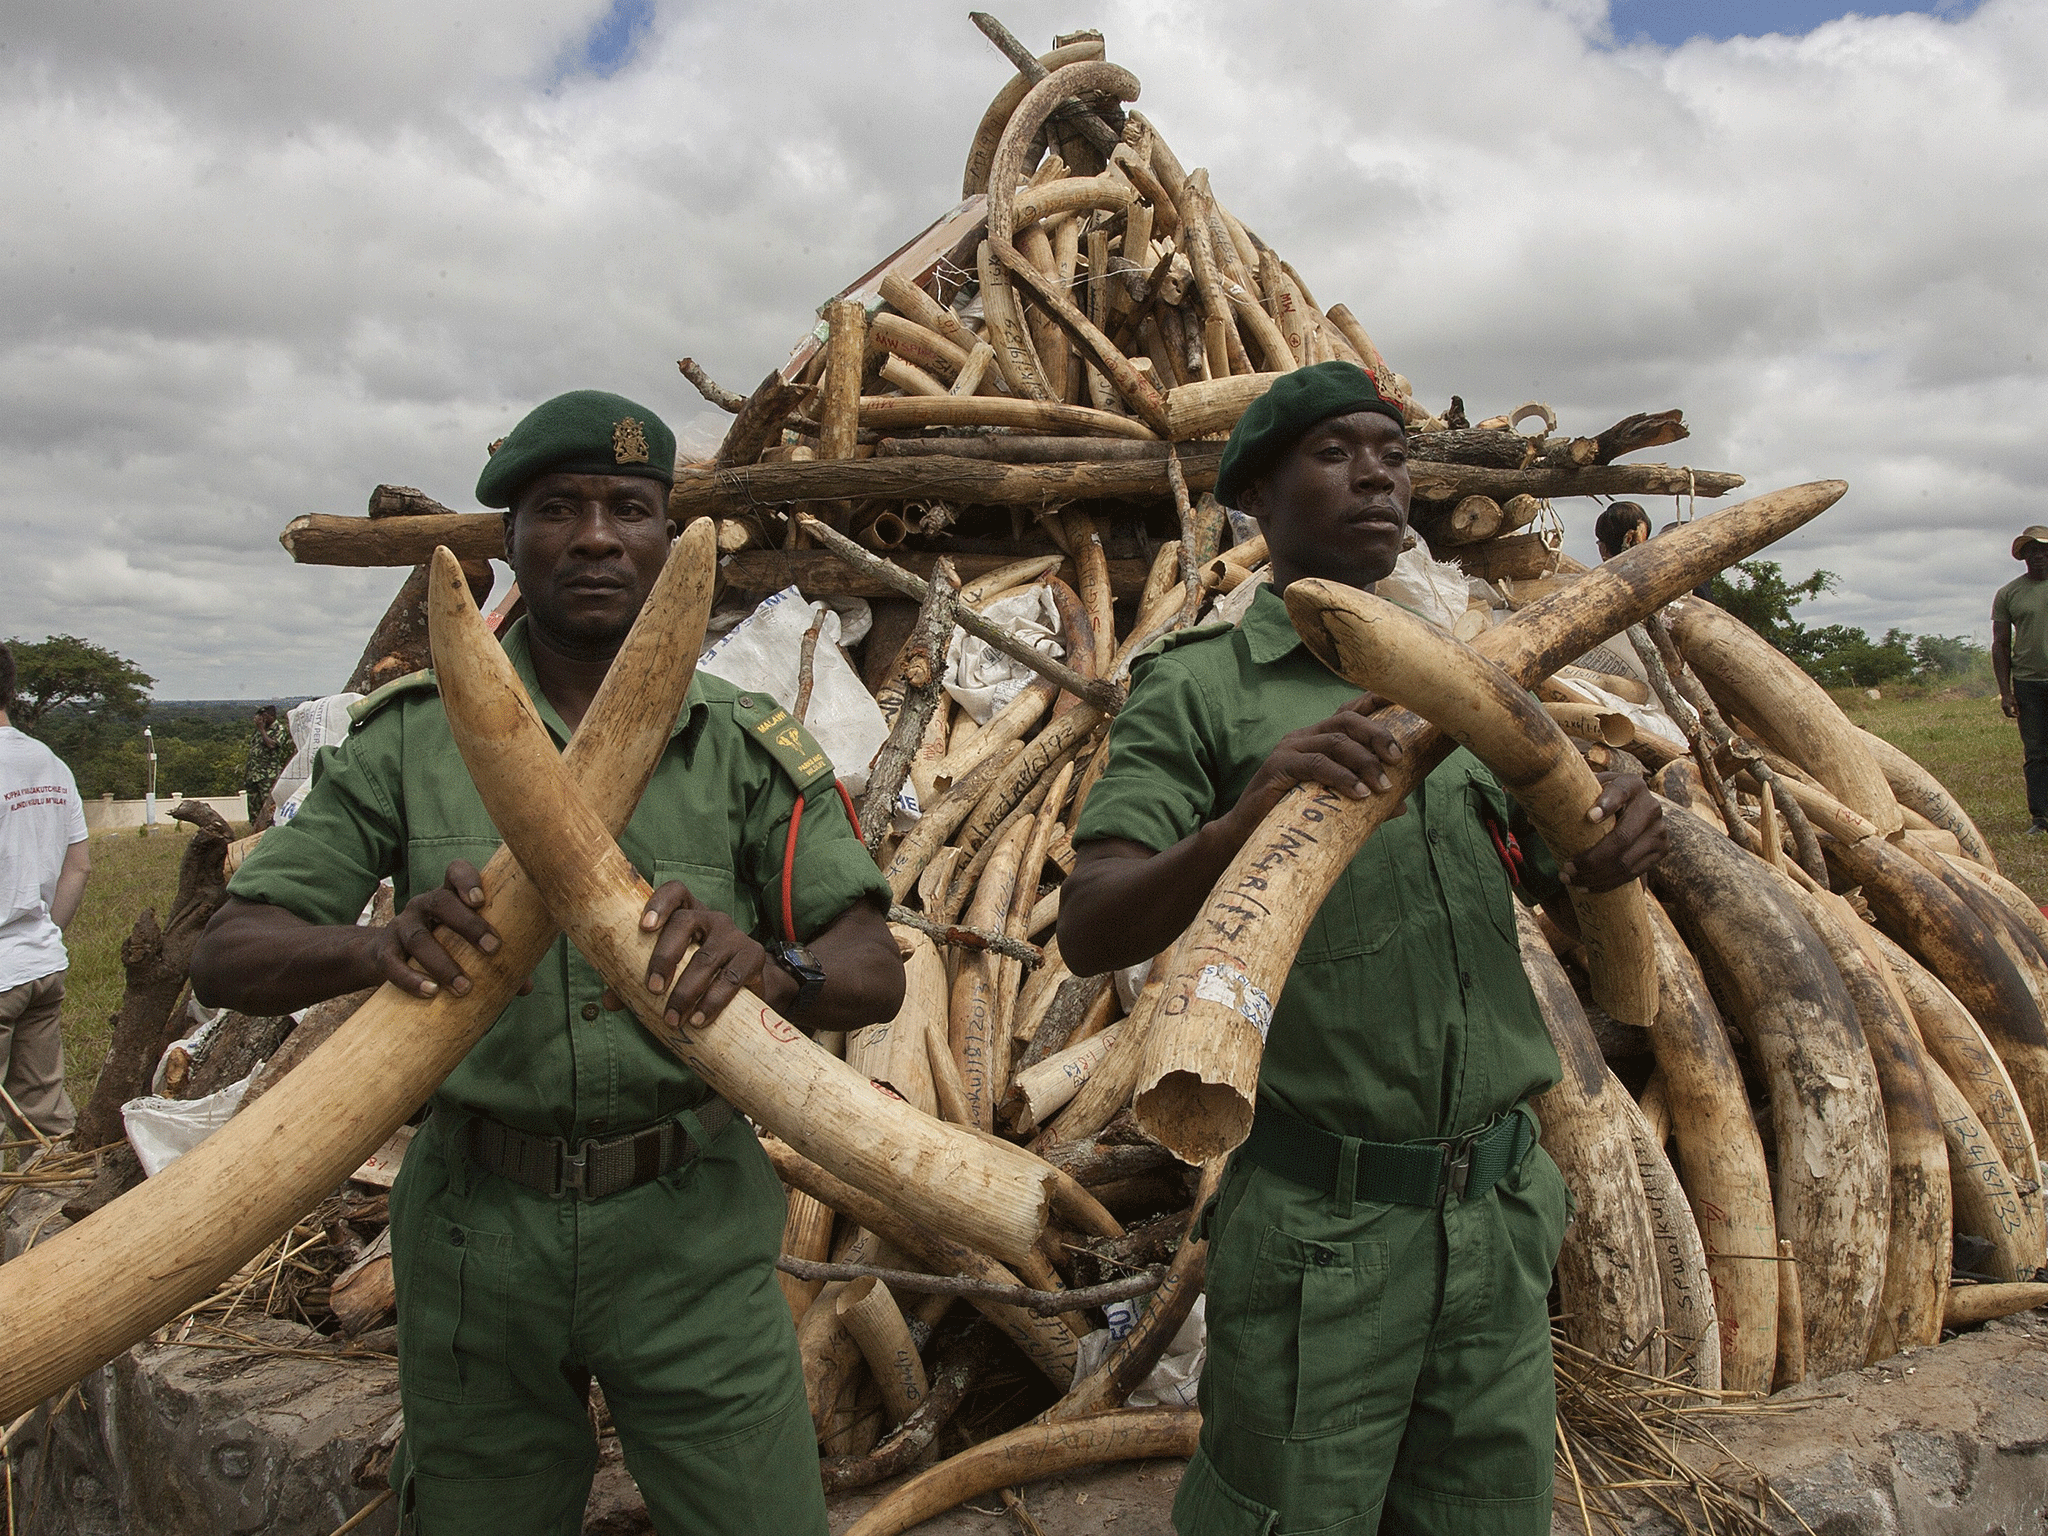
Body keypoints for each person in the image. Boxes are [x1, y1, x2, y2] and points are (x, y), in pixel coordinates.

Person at [190, 390, 905, 1536]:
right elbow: (230, 951)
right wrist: (376, 944)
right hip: (477, 1235)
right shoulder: (410, 737)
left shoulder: (743, 746)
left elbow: (872, 961)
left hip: (693, 1228)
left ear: (670, 541)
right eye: (557, 507)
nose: (595, 536)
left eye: (630, 509)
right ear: (509, 538)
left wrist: (775, 968)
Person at [1058, 362, 1669, 1536]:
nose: (1376, 474)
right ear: (1259, 494)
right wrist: (1241, 824)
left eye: (1390, 453)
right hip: (1317, 1236)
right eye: (1335, 452)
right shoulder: (1198, 691)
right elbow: (1093, 922)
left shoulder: (1474, 686)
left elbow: (1559, 868)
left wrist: (1608, 840)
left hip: (1496, 1216)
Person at [0, 643, 91, 1143]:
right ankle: (54, 1216)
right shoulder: (49, 763)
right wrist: (42, 932)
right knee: (45, 1121)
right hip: (40, 965)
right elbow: (78, 867)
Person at [1993, 525, 2048, 834]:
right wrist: (2005, 692)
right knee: (2037, 753)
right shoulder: (2009, 594)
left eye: (2044, 550)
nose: (2038, 556)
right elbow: (2000, 644)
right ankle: (2040, 818)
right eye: (2032, 551)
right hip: (2028, 684)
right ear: (2023, 557)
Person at [243, 703, 292, 831]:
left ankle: (270, 831)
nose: (261, 720)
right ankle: (255, 832)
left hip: (267, 775)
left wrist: (261, 730)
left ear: (271, 716)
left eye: (263, 716)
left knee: (268, 809)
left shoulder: (279, 729)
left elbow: (272, 745)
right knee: (254, 809)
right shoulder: (259, 731)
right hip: (254, 775)